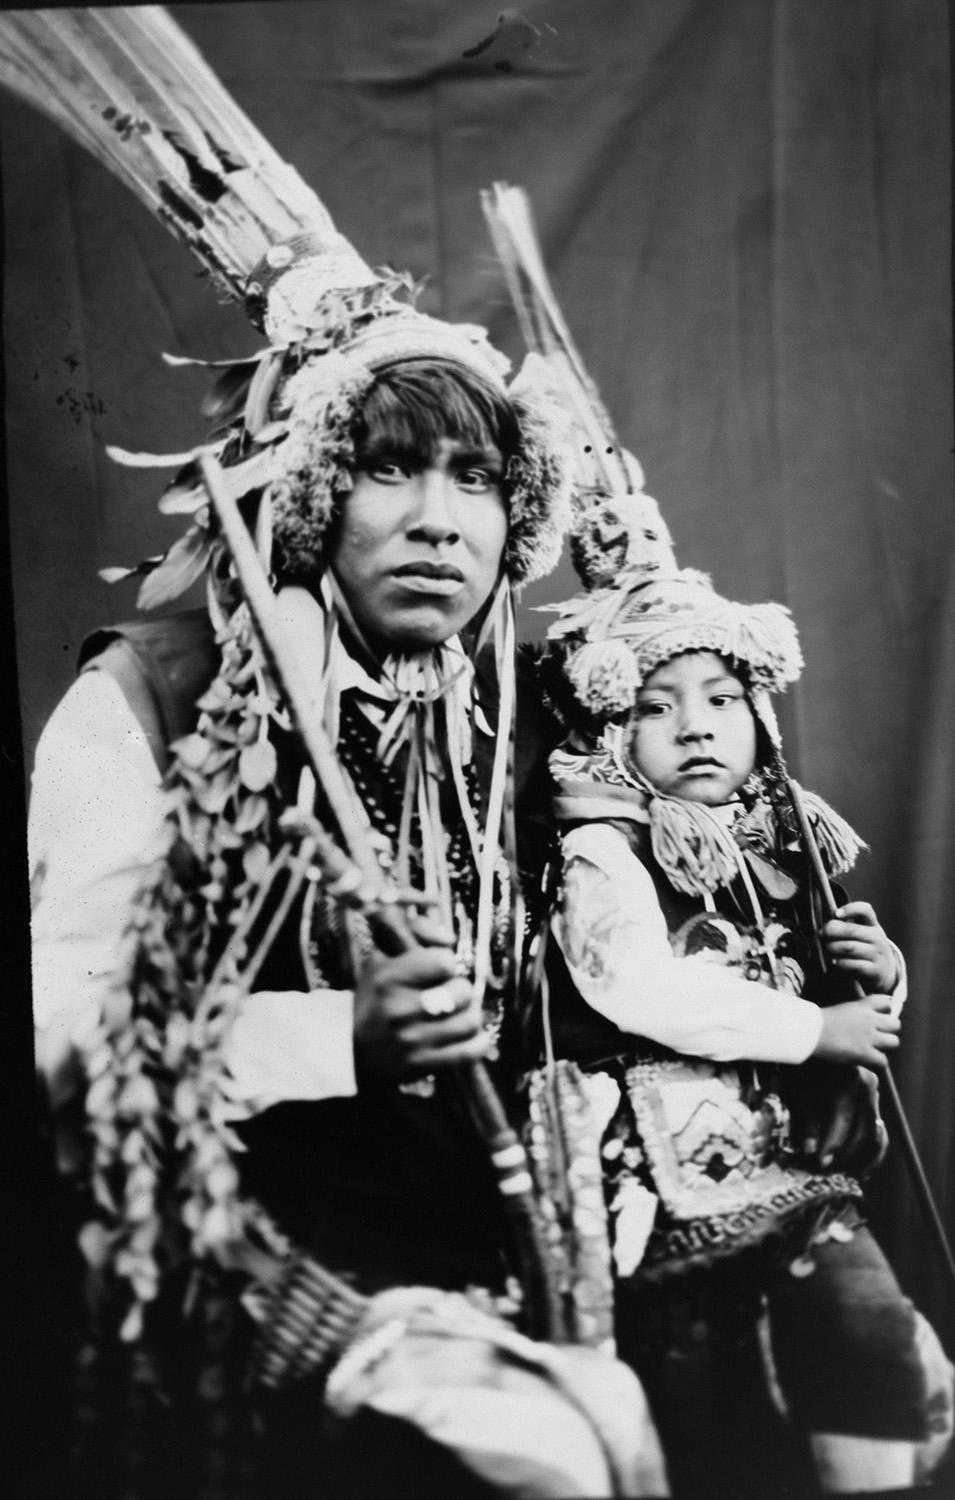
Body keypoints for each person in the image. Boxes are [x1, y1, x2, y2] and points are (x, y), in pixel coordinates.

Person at [29, 225, 678, 1499]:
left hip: (496, 1240)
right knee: (540, 1458)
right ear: (313, 490)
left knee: (624, 1422)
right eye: (386, 472)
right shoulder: (150, 697)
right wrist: (337, 1038)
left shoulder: (510, 712)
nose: (438, 521)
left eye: (476, 478)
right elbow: (59, 1035)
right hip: (244, 1254)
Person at [538, 562, 953, 1497]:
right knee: (713, 1414)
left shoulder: (785, 841)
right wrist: (814, 1028)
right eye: (655, 705)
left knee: (871, 1345)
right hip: (663, 1184)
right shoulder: (603, 845)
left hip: (801, 1168)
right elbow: (630, 986)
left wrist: (878, 987)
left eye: (722, 697)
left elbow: (843, 1016)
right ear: (608, 724)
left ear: (756, 714)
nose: (695, 724)